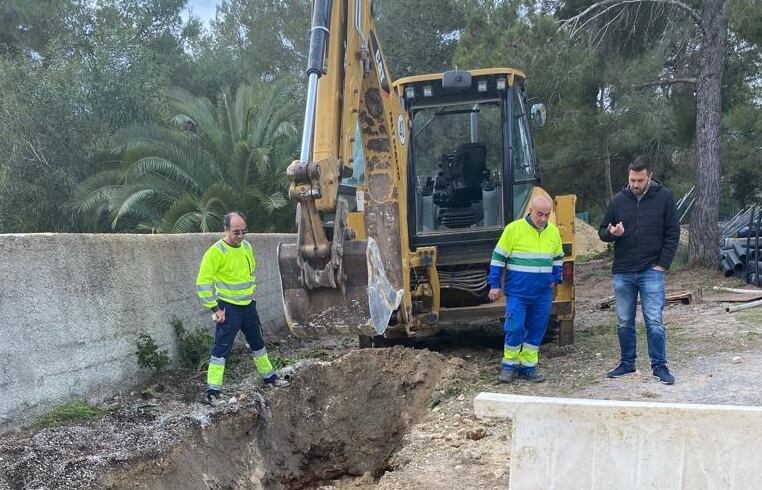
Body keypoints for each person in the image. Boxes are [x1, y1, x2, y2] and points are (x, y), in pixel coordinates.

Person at [599, 156, 680, 385]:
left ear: (649, 177)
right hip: (623, 270)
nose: (635, 184)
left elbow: (673, 232)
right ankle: (627, 363)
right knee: (624, 321)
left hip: (651, 270)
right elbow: (602, 231)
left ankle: (659, 366)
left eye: (640, 180)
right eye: (632, 179)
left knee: (654, 320)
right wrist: (611, 233)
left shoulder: (664, 197)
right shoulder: (617, 201)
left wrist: (663, 263)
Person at [196, 211, 289, 406]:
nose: (240, 236)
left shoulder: (246, 246)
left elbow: (249, 273)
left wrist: (251, 298)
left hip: (248, 306)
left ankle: (269, 377)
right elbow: (203, 283)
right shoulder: (216, 252)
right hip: (228, 308)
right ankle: (212, 392)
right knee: (221, 348)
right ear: (225, 230)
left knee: (258, 343)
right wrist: (215, 309)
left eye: (242, 231)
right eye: (235, 232)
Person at [488, 195, 564, 383]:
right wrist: (495, 285)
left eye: (547, 215)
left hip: (542, 294)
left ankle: (528, 367)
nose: (543, 219)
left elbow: (558, 258)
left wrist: (555, 278)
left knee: (537, 328)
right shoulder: (513, 230)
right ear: (531, 210)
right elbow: (497, 259)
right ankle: (509, 366)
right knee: (515, 327)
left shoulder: (553, 232)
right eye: (540, 214)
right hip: (518, 293)